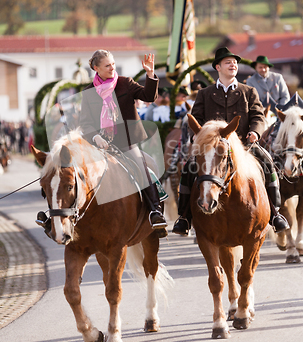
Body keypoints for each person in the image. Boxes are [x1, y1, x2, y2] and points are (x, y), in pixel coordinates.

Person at [172, 46, 290, 236]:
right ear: (218, 67)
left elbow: (258, 117)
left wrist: (255, 133)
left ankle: (275, 213)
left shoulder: (249, 91)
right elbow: (197, 118)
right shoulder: (204, 94)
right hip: (213, 148)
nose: (233, 64)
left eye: (234, 62)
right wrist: (198, 135)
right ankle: (184, 217)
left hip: (244, 146)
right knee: (188, 168)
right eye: (228, 62)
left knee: (268, 164)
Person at [79, 49, 168, 238]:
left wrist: (150, 75)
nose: (112, 68)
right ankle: (71, 216)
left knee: (142, 167)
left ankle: (155, 211)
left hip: (126, 143)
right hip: (99, 146)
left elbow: (148, 96)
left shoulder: (125, 83)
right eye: (107, 65)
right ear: (96, 68)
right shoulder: (88, 92)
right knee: (77, 172)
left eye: (113, 64)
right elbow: (85, 122)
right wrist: (96, 137)